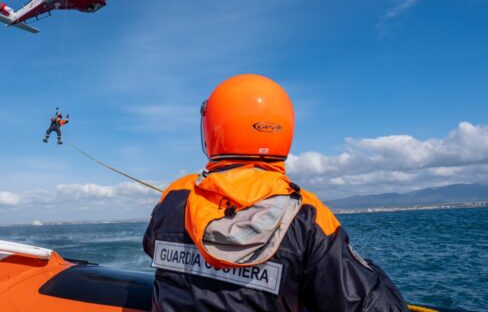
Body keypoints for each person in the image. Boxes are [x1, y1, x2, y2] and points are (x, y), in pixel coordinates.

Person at [143, 74, 408, 312]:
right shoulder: (306, 213)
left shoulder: (175, 195)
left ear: (212, 125)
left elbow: (151, 245)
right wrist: (370, 271)